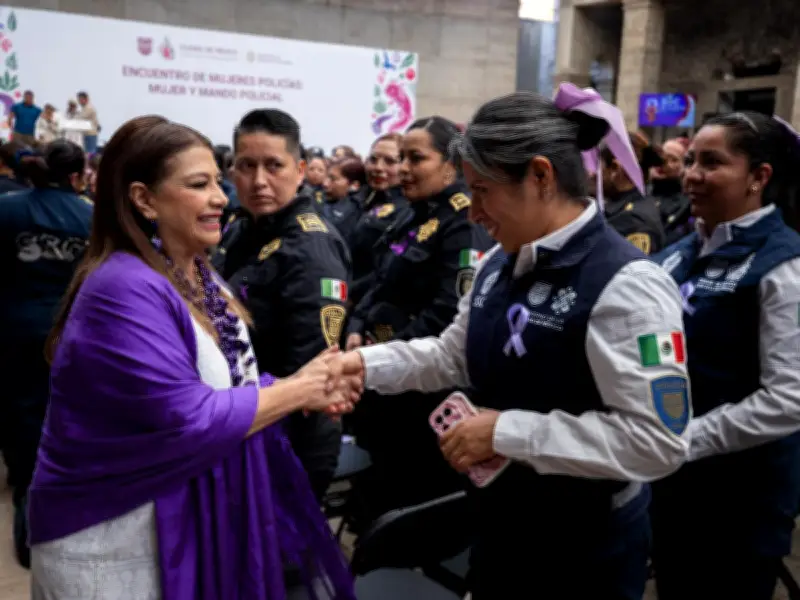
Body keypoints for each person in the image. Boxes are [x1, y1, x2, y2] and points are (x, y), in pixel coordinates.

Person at [338, 89, 691, 599]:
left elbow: (657, 440)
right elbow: (449, 355)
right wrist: (361, 365)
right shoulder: (499, 263)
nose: (474, 213)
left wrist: (508, 431)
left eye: (483, 191)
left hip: (582, 545)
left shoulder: (626, 283)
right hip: (502, 522)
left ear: (541, 176)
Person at [27, 115, 357, 600]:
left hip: (178, 519)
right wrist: (297, 390)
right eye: (200, 185)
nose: (222, 197)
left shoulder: (199, 273)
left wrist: (299, 384)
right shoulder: (122, 286)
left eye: (217, 183)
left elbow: (223, 387)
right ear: (144, 199)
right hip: (115, 536)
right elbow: (187, 416)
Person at [650, 111, 800, 600]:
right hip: (671, 483)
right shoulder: (677, 252)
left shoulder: (785, 266)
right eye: (690, 159)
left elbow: (788, 400)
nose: (691, 174)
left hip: (740, 498)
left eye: (711, 163)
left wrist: (685, 440)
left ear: (759, 177)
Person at [344, 116, 494, 518]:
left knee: (405, 500)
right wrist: (358, 327)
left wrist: (389, 355)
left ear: (450, 163)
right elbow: (379, 280)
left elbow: (448, 312)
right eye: (402, 158)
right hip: (383, 377)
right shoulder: (412, 213)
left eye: (416, 158)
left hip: (419, 393)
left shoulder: (463, 222)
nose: (403, 169)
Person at [212, 109, 350, 502]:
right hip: (243, 420)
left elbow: (310, 370)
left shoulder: (310, 248)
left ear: (300, 169)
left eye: (274, 166)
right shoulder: (241, 229)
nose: (259, 181)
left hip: (288, 436)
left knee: (278, 561)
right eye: (246, 165)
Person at [0, 140, 92, 567]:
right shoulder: (91, 218)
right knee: (67, 439)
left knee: (22, 443)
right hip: (73, 345)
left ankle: (29, 536)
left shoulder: (9, 208)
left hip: (13, 340)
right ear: (78, 175)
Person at [348, 133, 406, 307]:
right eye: (373, 160)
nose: (378, 168)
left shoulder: (409, 209)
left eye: (390, 161)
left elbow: (386, 269)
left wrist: (350, 295)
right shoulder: (355, 200)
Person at [600, 132, 666, 255]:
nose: (593, 174)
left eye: (599, 167)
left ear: (615, 168)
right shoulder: (619, 209)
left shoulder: (635, 221)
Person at [651, 137, 693, 244]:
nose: (668, 164)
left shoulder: (687, 199)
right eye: (664, 159)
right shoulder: (645, 190)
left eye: (674, 160)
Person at [321, 157, 363, 245]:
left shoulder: (355, 210)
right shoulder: (319, 199)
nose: (325, 183)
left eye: (333, 179)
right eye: (327, 177)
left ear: (354, 185)